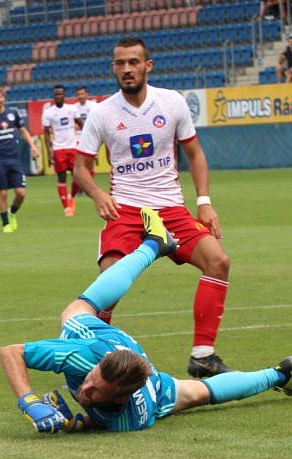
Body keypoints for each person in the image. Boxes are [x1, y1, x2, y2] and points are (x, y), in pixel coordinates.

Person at [0, 208, 292, 433]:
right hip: (106, 342)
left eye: (94, 389)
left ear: (120, 399)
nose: (84, 389)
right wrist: (31, 403)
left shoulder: (133, 418)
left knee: (196, 394)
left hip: (149, 380)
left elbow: (98, 422)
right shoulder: (84, 357)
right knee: (79, 310)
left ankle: (281, 373)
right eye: (91, 380)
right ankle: (154, 244)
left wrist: (73, 423)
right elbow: (12, 352)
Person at [73, 37, 233, 378]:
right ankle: (95, 359)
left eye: (133, 62)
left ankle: (203, 357)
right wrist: (99, 195)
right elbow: (80, 168)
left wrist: (203, 202)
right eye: (120, 63)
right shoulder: (101, 112)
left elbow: (195, 154)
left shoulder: (171, 102)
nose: (126, 69)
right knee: (108, 283)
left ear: (148, 65)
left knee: (218, 262)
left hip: (171, 209)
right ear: (113, 68)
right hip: (127, 210)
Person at [0, 87, 40, 233]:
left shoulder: (13, 114)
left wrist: (32, 146)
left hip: (14, 159)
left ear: (3, 98)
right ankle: (6, 224)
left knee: (21, 193)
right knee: (3, 193)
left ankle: (12, 212)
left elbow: (23, 130)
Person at [42, 84, 80, 217]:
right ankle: (67, 208)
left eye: (60, 94)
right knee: (62, 178)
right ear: (54, 96)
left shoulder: (72, 109)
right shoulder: (48, 113)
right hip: (58, 149)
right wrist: (48, 151)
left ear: (64, 95)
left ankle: (72, 197)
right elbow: (46, 133)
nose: (58, 96)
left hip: (72, 147)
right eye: (56, 94)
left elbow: (81, 124)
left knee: (78, 177)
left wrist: (84, 139)